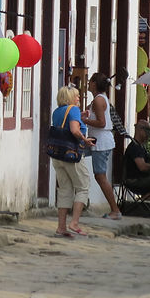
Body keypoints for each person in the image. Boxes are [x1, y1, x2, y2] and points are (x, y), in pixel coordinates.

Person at [51, 86, 96, 238]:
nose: (78, 99)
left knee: (65, 189)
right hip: (71, 154)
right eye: (76, 96)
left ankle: (61, 227)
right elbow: (74, 130)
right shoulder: (73, 109)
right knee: (83, 186)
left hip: (57, 155)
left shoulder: (57, 111)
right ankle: (74, 223)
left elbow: (66, 123)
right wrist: (85, 140)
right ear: (70, 98)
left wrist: (80, 117)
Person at [81, 72, 122, 219]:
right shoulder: (97, 100)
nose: (88, 83)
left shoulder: (98, 101)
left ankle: (115, 210)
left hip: (100, 141)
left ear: (94, 83)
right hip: (96, 139)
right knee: (78, 156)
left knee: (100, 176)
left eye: (90, 81)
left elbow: (101, 123)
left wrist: (85, 121)